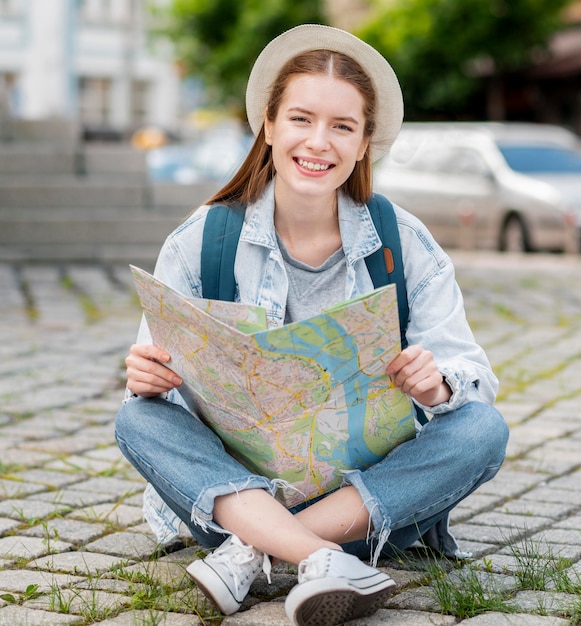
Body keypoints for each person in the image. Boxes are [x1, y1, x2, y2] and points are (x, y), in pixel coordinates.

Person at [115, 24, 509, 626]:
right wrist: (148, 376)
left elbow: (473, 376)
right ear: (269, 126)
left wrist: (438, 385)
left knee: (482, 429)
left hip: (360, 502)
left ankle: (256, 550)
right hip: (235, 492)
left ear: (364, 142)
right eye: (301, 119)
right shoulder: (202, 240)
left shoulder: (405, 243)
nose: (318, 142)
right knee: (136, 419)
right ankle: (319, 557)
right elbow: (157, 376)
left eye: (342, 126)